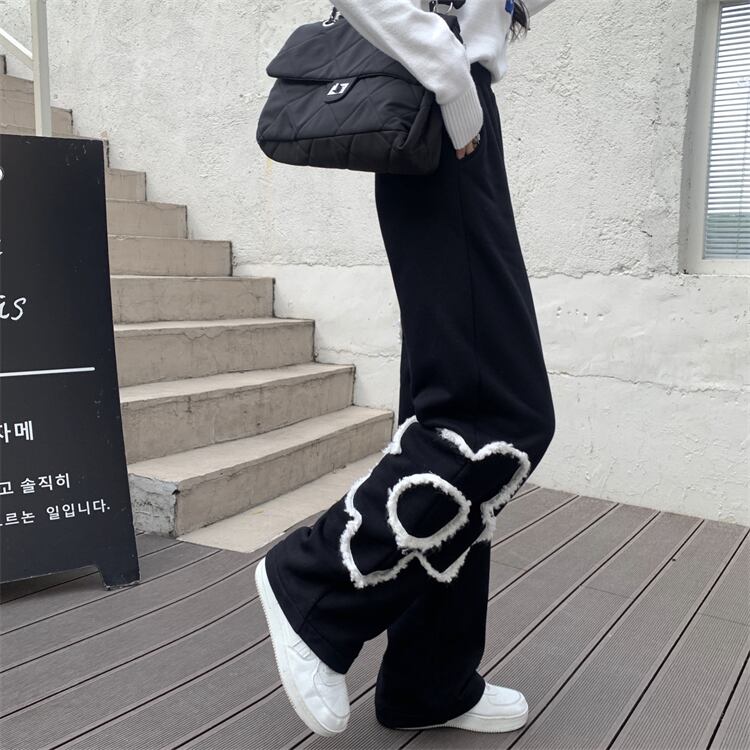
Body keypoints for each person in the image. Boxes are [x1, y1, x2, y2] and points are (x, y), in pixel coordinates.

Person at [255, 0, 558, 737]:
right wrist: (449, 77)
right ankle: (314, 584)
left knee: (443, 405)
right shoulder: (448, 77)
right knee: (494, 414)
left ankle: (430, 678)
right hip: (441, 99)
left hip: (460, 102)